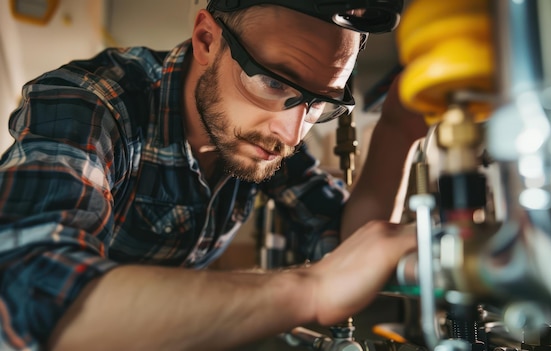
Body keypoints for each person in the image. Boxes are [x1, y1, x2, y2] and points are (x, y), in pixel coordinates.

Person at [0, 0, 428, 350]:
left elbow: (351, 250)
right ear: (206, 40)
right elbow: (25, 288)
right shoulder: (92, 103)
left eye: (319, 103)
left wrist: (399, 128)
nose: (293, 134)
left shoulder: (265, 128)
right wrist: (310, 290)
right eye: (275, 83)